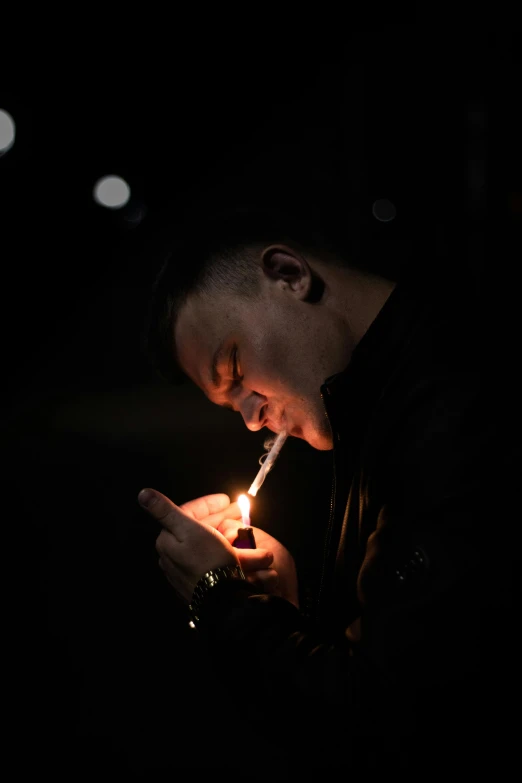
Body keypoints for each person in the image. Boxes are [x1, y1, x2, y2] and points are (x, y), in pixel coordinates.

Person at [137, 202, 519, 774]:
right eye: (229, 402)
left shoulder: (455, 407)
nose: (249, 417)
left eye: (236, 369)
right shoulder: (370, 407)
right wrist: (281, 613)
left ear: (289, 275)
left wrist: (219, 598)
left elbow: (391, 723)